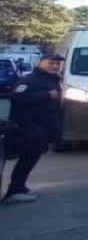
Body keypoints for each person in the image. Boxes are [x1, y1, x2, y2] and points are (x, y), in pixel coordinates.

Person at [2, 53, 64, 204]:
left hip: (41, 128)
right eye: (51, 63)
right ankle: (15, 191)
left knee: (31, 158)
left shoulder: (52, 79)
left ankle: (19, 188)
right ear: (40, 62)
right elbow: (17, 97)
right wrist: (47, 94)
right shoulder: (31, 79)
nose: (55, 66)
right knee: (28, 158)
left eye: (57, 63)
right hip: (29, 128)